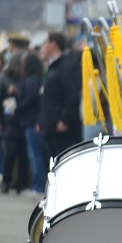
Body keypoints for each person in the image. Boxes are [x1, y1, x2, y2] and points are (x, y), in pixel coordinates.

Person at [38, 32, 82, 162]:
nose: (44, 46)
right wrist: (42, 120)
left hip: (62, 129)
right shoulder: (53, 67)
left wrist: (65, 120)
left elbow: (73, 95)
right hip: (50, 126)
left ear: (53, 44)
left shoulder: (67, 65)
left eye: (46, 42)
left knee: (64, 163)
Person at [0, 53, 29, 194]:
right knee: (10, 154)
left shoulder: (27, 78)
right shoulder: (4, 78)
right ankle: (6, 181)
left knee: (24, 155)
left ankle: (21, 183)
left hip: (23, 120)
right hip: (9, 122)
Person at [16, 51, 46, 194]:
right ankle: (36, 184)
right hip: (31, 120)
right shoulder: (35, 79)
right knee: (34, 154)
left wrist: (19, 106)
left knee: (35, 154)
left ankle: (38, 185)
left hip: (31, 120)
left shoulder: (31, 80)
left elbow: (32, 98)